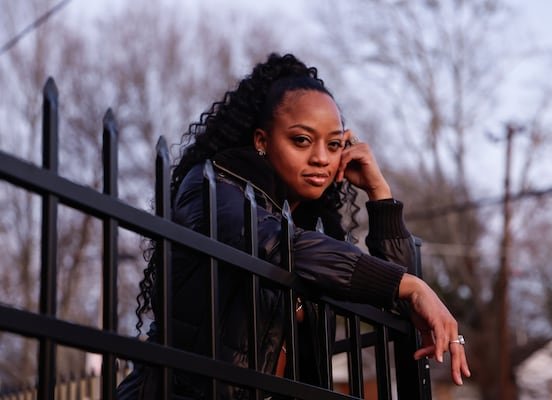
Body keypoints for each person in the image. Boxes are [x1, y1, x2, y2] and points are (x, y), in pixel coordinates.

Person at [116, 52, 470, 399]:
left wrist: (380, 196)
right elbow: (275, 245)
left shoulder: (312, 228)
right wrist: (411, 286)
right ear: (261, 141)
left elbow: (397, 307)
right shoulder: (212, 189)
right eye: (302, 140)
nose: (320, 157)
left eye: (333, 145)